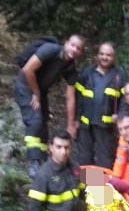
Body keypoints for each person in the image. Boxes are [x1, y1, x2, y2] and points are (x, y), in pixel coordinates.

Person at [14, 34, 85, 179]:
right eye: (72, 45)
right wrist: (35, 93)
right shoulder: (50, 50)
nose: (74, 50)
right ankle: (33, 163)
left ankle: (46, 158)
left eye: (78, 48)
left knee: (44, 123)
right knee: (35, 120)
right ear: (66, 43)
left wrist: (71, 124)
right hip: (26, 86)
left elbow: (70, 97)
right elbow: (28, 69)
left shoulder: (70, 66)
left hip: (40, 90)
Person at [75, 42, 127, 168]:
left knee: (104, 158)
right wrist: (75, 119)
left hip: (106, 126)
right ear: (97, 55)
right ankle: (87, 185)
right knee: (84, 157)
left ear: (114, 57)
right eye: (102, 54)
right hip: (85, 124)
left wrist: (120, 116)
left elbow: (125, 100)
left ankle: (100, 187)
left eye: (108, 55)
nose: (104, 57)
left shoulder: (119, 76)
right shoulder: (87, 73)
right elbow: (77, 98)